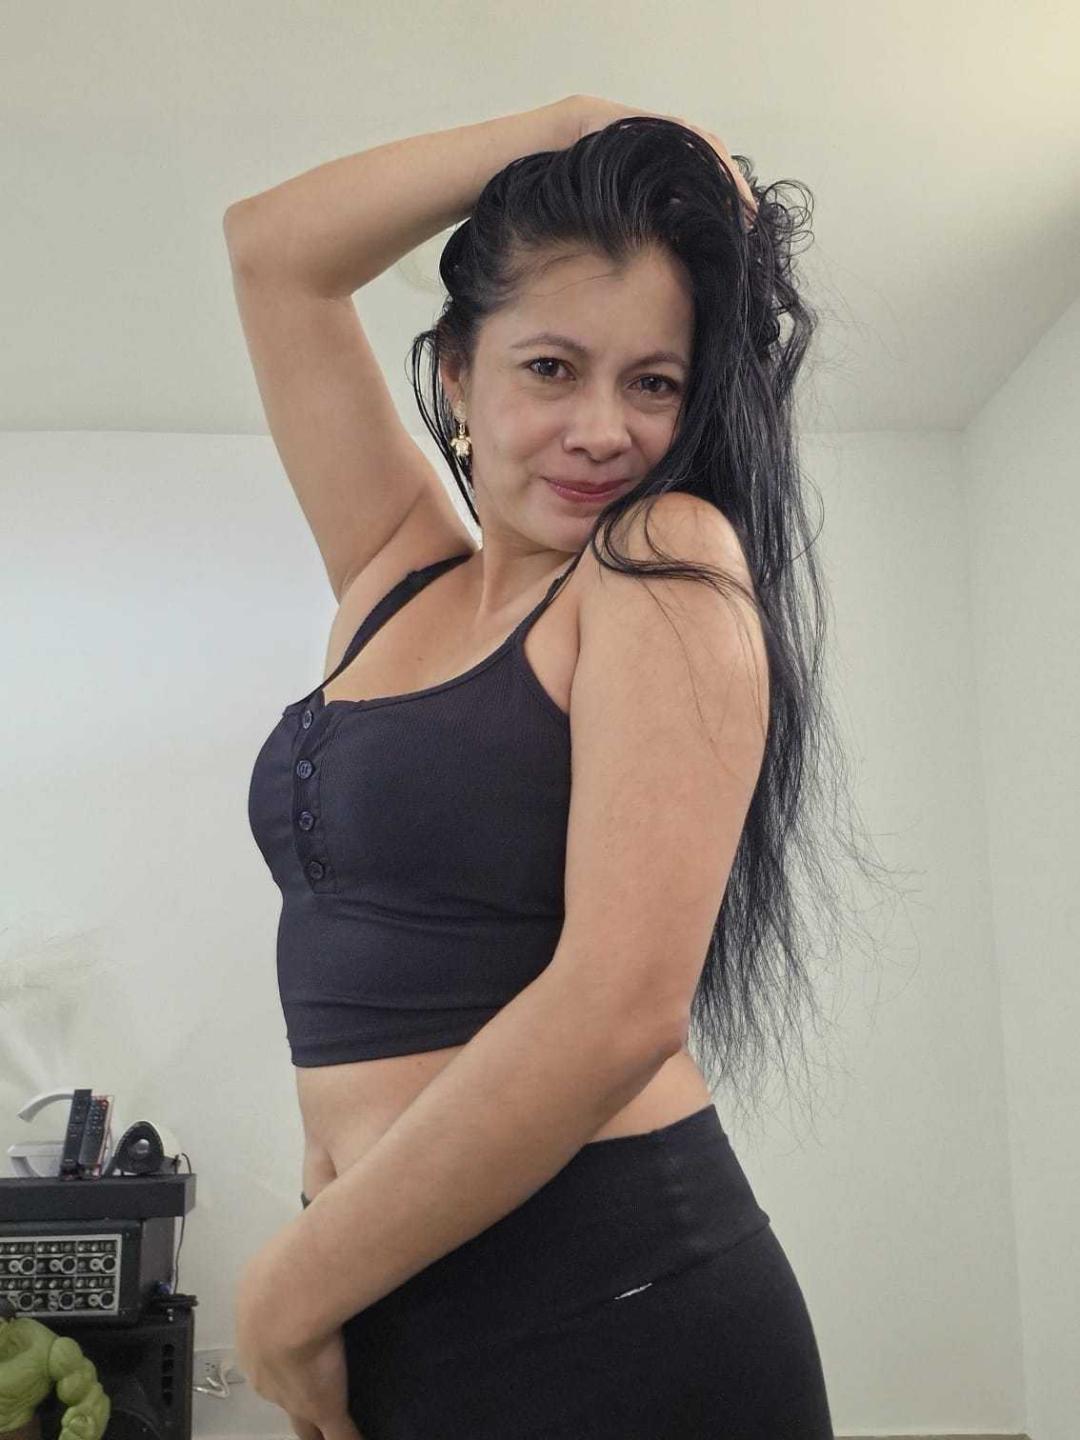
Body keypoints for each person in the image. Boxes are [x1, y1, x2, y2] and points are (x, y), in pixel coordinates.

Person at [230, 93, 892, 1438]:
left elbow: (618, 1009)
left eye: (653, 382)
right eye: (550, 367)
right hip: (394, 1300)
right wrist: (573, 125)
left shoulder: (662, 559)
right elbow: (272, 254)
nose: (606, 428)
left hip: (614, 1305)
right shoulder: (392, 577)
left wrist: (288, 1291)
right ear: (456, 377)